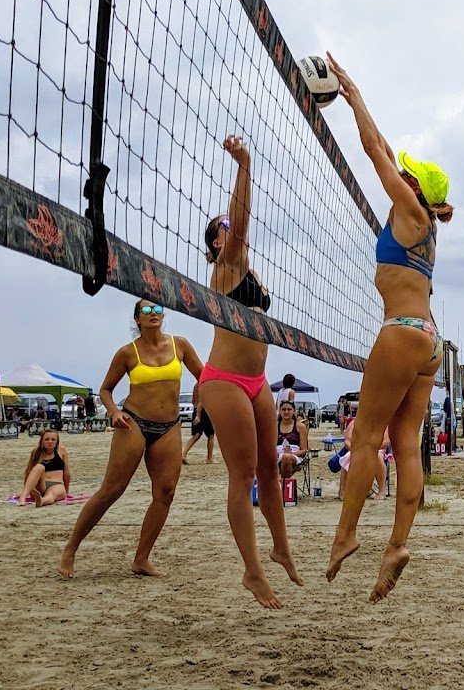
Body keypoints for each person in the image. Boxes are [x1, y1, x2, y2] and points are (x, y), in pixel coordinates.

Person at [323, 52, 453, 603]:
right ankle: (397, 544)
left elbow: (373, 150)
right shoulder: (425, 225)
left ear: (414, 186)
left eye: (408, 174)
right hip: (429, 340)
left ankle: (346, 533)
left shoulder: (411, 212)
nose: (399, 173)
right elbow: (383, 150)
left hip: (401, 331)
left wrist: (355, 98)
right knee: (406, 443)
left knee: (367, 437)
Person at [198, 135, 303, 609]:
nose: (230, 228)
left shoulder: (250, 273)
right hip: (223, 381)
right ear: (216, 242)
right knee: (241, 478)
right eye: (221, 227)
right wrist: (244, 164)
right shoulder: (226, 266)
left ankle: (281, 548)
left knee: (268, 470)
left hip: (257, 382)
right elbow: (239, 222)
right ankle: (252, 571)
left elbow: (238, 225)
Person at [58, 300, 203, 578]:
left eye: (157, 309)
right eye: (146, 311)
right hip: (133, 421)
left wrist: (202, 402)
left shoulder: (180, 345)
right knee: (112, 489)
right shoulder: (128, 352)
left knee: (166, 493)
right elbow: (105, 390)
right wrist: (113, 412)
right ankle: (71, 548)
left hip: (170, 425)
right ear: (137, 318)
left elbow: (205, 377)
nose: (153, 314)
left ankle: (141, 559)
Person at [18, 423, 70, 507]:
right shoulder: (36, 451)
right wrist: (25, 491)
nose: (50, 442)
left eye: (53, 439)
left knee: (52, 493)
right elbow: (29, 472)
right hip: (41, 485)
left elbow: (67, 473)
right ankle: (22, 497)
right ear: (42, 441)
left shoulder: (61, 450)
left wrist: (66, 491)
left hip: (57, 484)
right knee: (39, 467)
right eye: (47, 439)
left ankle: (42, 501)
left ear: (57, 442)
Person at [277, 401, 309, 479]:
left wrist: (292, 453)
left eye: (289, 409)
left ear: (294, 411)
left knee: (286, 457)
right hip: (277, 455)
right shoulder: (274, 427)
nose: (286, 412)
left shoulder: (300, 427)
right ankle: (281, 481)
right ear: (279, 411)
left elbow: (304, 450)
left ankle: (282, 482)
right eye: (283, 409)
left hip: (294, 455)